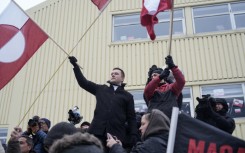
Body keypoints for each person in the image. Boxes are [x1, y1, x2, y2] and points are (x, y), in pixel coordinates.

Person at [69, 56, 138, 152]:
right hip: (95, 133)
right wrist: (75, 66)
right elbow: (83, 83)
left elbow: (131, 118)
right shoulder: (101, 89)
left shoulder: (128, 96)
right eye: (112, 73)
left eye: (116, 74)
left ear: (122, 78)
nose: (113, 75)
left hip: (115, 135)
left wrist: (133, 135)